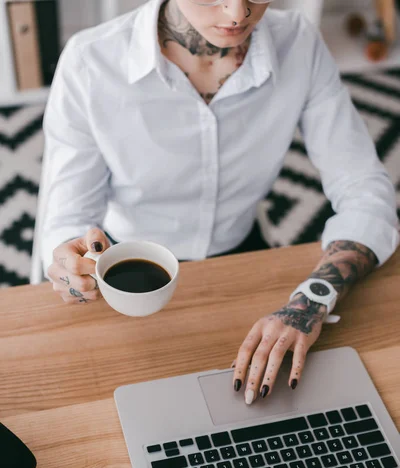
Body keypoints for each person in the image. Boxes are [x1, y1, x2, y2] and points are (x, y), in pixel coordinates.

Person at [41, 0, 399, 405]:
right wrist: (67, 262)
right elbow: (66, 218)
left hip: (243, 255)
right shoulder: (90, 61)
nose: (237, 14)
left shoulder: (299, 42)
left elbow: (365, 190)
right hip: (122, 270)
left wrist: (311, 301)